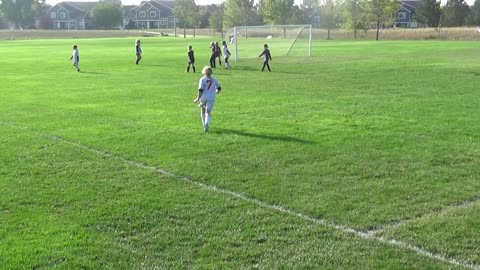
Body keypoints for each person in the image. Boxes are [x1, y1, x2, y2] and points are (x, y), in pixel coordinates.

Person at [193, 66, 222, 133]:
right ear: (211, 72)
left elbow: (200, 90)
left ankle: (204, 124)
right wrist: (216, 92)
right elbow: (219, 88)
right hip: (211, 98)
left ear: (204, 72)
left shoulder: (202, 79)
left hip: (203, 97)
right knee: (208, 112)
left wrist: (198, 98)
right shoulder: (214, 79)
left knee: (202, 111)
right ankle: (207, 123)